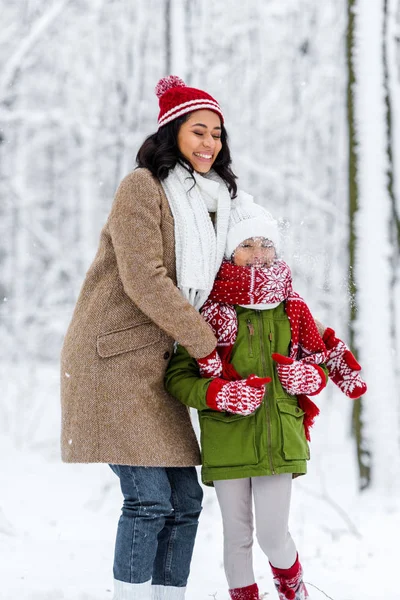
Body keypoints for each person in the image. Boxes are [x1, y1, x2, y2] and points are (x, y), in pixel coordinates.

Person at [60, 74, 264, 600]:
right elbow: (144, 277)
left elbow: (231, 270)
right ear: (172, 132)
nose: (210, 143)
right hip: (114, 360)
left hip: (161, 364)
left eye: (217, 134)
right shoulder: (142, 188)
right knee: (149, 499)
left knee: (186, 502)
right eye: (199, 131)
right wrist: (204, 344)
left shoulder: (210, 201)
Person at [165, 202, 367, 600]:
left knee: (275, 537)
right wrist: (219, 393)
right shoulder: (209, 311)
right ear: (229, 252)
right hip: (227, 442)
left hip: (280, 439)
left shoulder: (291, 307)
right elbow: (177, 377)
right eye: (247, 244)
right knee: (237, 539)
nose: (258, 253)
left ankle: (295, 591)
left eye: (265, 243)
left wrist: (312, 376)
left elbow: (318, 361)